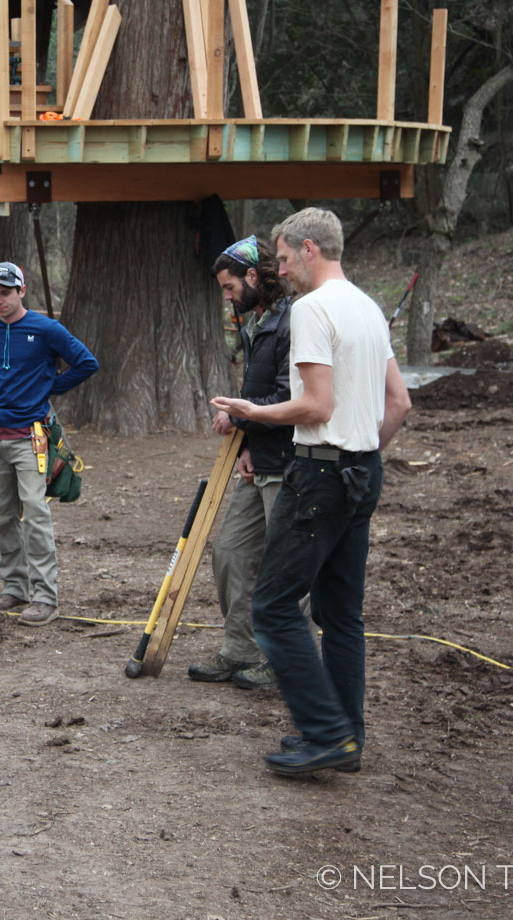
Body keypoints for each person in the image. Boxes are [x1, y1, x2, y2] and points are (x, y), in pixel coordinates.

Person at [211, 208, 411, 777]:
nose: (279, 271)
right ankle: (347, 737)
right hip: (362, 472)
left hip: (319, 474)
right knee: (341, 614)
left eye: (280, 258)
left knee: (274, 607)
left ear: (307, 250)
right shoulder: (368, 307)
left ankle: (324, 735)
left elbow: (316, 406)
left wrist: (252, 411)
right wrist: (362, 455)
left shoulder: (313, 309)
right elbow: (399, 404)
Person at [0, 262, 99, 626]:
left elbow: (86, 363)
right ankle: (14, 589)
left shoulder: (46, 329)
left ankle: (46, 598)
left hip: (30, 437)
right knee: (3, 516)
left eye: (6, 293)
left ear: (22, 291)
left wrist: (48, 388)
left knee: (35, 511)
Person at [187, 235, 296, 690]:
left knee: (286, 567)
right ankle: (239, 651)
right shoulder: (256, 323)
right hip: (259, 459)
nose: (227, 296)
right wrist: (246, 442)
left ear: (253, 276)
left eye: (230, 287)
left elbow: (293, 398)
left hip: (291, 463)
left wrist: (240, 414)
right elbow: (259, 395)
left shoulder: (293, 322)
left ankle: (287, 662)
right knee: (231, 551)